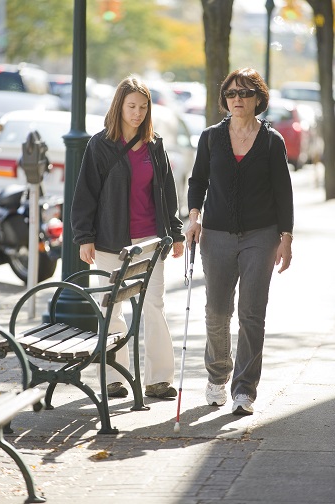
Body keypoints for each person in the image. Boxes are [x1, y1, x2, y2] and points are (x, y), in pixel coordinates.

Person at [186, 68, 294, 415]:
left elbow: (283, 192)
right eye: (231, 94)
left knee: (251, 314)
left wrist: (286, 238)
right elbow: (197, 180)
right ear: (225, 99)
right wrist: (194, 217)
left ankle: (244, 390)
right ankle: (217, 377)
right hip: (215, 235)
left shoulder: (271, 141)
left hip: (261, 235)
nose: (238, 99)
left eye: (245, 94)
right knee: (217, 312)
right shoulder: (210, 138)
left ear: (258, 98)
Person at [71, 75, 184, 399]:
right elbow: (85, 195)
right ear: (119, 106)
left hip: (150, 240)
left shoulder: (155, 143)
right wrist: (84, 236)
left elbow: (167, 194)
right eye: (131, 106)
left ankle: (158, 379)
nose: (137, 112)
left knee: (154, 306)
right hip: (109, 242)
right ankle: (113, 377)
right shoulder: (101, 144)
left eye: (142, 106)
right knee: (112, 310)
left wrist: (175, 234)